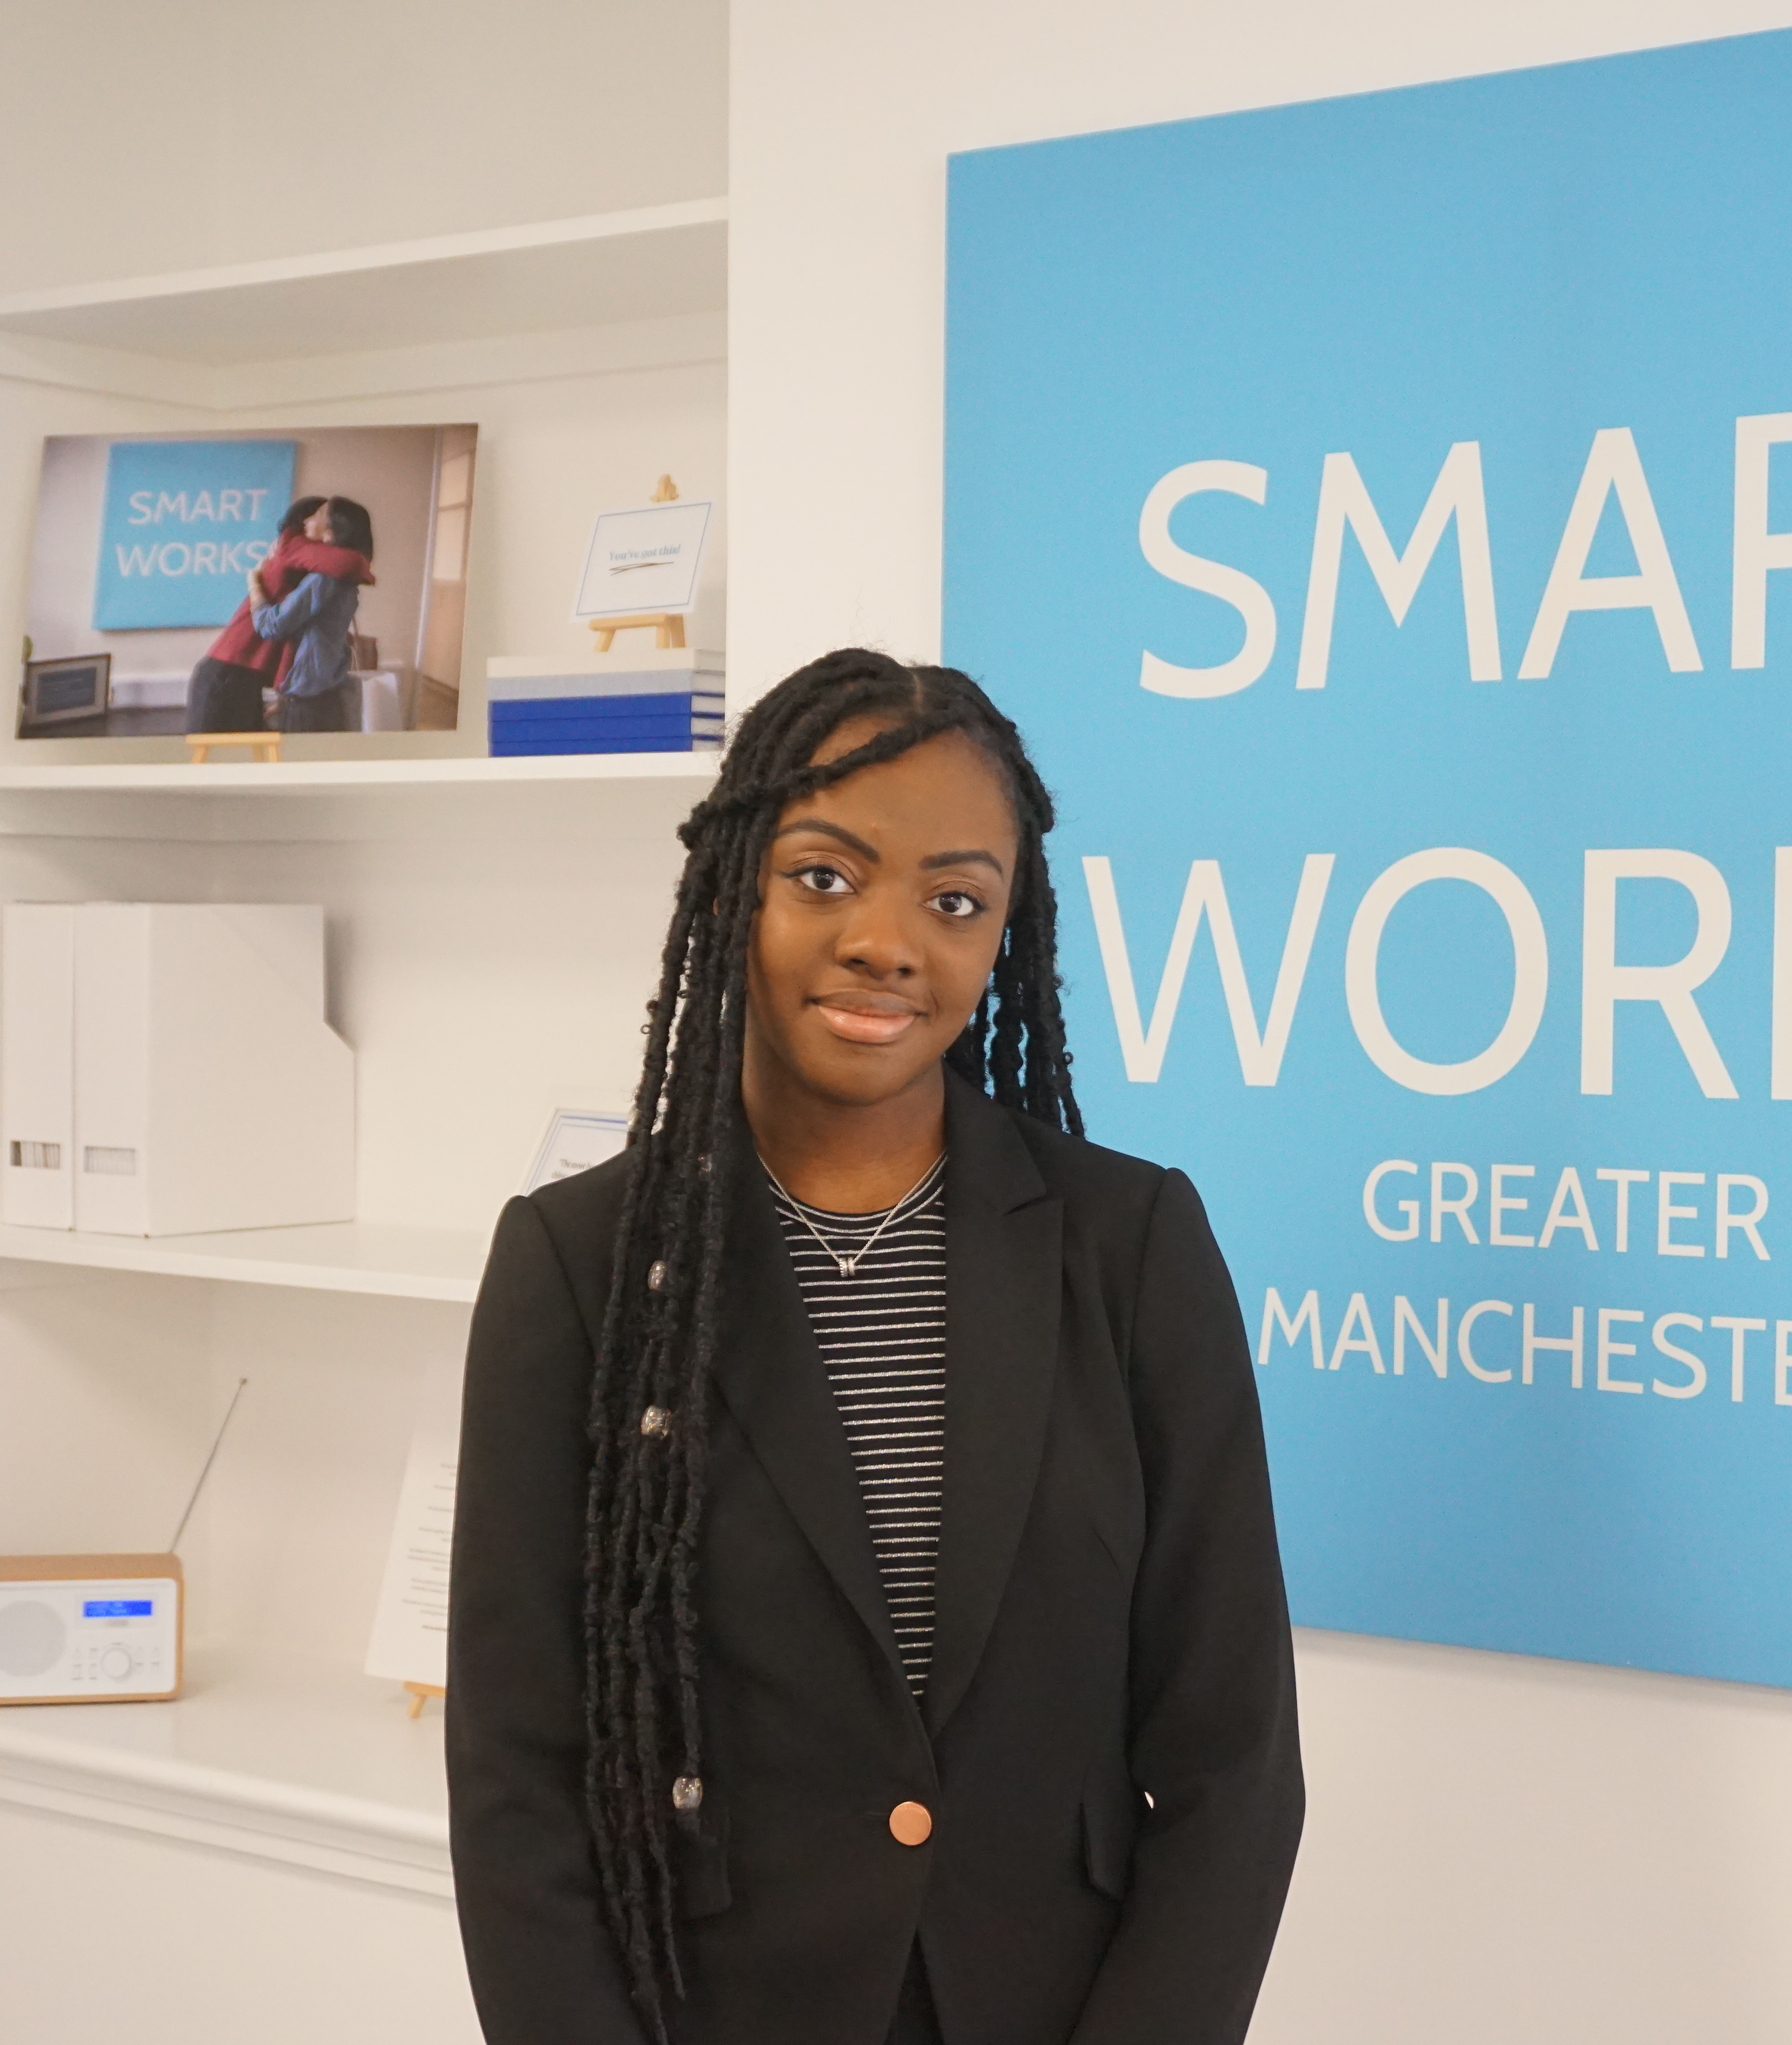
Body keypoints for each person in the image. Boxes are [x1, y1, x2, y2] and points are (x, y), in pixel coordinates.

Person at [447, 650, 1303, 2045]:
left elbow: (1235, 1762)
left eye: (954, 900)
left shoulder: (1132, 1247)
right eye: (826, 877)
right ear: (735, 886)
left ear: (1004, 931)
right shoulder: (579, 1267)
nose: (888, 942)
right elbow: (517, 1784)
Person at [179, 495, 370, 735]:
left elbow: (303, 642)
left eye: (320, 515)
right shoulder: (298, 547)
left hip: (248, 678)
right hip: (227, 672)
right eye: (313, 515)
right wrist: (254, 584)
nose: (309, 522)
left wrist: (285, 694)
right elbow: (352, 563)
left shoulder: (317, 569)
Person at [251, 492, 374, 734]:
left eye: (318, 514)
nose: (307, 521)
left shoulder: (324, 579)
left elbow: (271, 625)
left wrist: (254, 584)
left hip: (310, 703)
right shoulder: (345, 576)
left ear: (331, 532)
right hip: (326, 695)